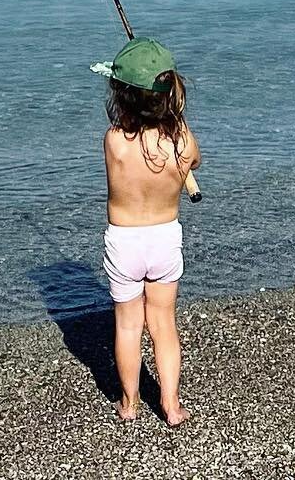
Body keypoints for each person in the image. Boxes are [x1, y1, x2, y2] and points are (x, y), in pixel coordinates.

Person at [93, 37, 201, 424]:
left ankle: (130, 404)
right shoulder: (183, 142)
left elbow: (126, 136)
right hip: (164, 238)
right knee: (163, 323)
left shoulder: (115, 142)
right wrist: (177, 127)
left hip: (124, 240)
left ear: (121, 98)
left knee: (127, 324)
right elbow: (196, 163)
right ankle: (171, 405)